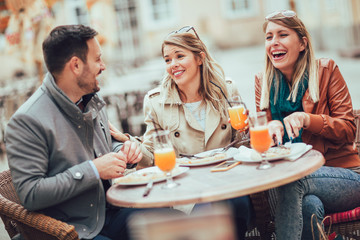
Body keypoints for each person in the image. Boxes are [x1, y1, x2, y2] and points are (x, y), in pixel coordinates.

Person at [5, 24, 165, 240]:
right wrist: (93, 170)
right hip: (69, 230)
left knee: (171, 221)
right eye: (98, 59)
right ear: (76, 65)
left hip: (110, 212)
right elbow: (31, 194)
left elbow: (105, 146)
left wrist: (124, 151)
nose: (104, 66)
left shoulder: (91, 100)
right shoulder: (26, 121)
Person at [111, 26, 253, 239]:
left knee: (234, 204)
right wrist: (129, 142)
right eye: (167, 59)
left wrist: (248, 132)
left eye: (179, 56)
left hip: (227, 182)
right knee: (206, 213)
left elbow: (243, 144)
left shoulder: (226, 90)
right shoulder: (157, 101)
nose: (173, 65)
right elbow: (154, 156)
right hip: (187, 190)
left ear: (199, 58)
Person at [255, 10, 360, 239]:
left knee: (295, 180)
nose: (274, 42)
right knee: (309, 206)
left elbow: (349, 130)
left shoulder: (326, 71)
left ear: (302, 43)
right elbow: (260, 143)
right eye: (269, 37)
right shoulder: (263, 83)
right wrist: (268, 131)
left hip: (345, 175)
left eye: (282, 35)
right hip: (294, 184)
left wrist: (307, 119)